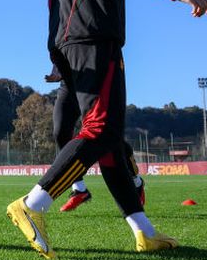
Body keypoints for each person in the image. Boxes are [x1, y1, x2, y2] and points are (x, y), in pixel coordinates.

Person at [7, 0, 207, 258]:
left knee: (112, 142)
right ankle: (32, 204)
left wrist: (55, 51)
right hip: (96, 36)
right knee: (101, 130)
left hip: (68, 40)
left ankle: (144, 230)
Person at [45, 66, 146, 212]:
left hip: (94, 83)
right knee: (60, 132)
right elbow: (58, 50)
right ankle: (79, 189)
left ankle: (135, 181)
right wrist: (57, 70)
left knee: (106, 134)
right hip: (68, 84)